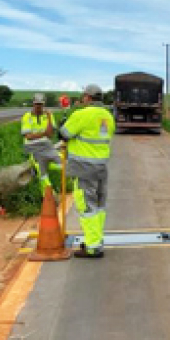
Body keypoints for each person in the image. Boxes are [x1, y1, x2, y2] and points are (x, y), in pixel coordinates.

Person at [60, 84, 115, 258]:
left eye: (84, 96)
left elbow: (63, 134)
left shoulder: (81, 114)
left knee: (86, 208)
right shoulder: (108, 116)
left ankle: (92, 247)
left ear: (88, 98)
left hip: (84, 169)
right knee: (98, 207)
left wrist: (63, 124)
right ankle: (96, 240)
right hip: (101, 168)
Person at [21, 93, 61, 191]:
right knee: (41, 169)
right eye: (37, 104)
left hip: (46, 146)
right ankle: (48, 193)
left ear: (44, 105)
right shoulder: (27, 116)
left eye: (41, 104)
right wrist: (44, 134)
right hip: (32, 147)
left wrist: (48, 119)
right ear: (33, 104)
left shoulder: (49, 116)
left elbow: (50, 134)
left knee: (61, 164)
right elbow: (28, 136)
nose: (39, 106)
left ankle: (63, 186)